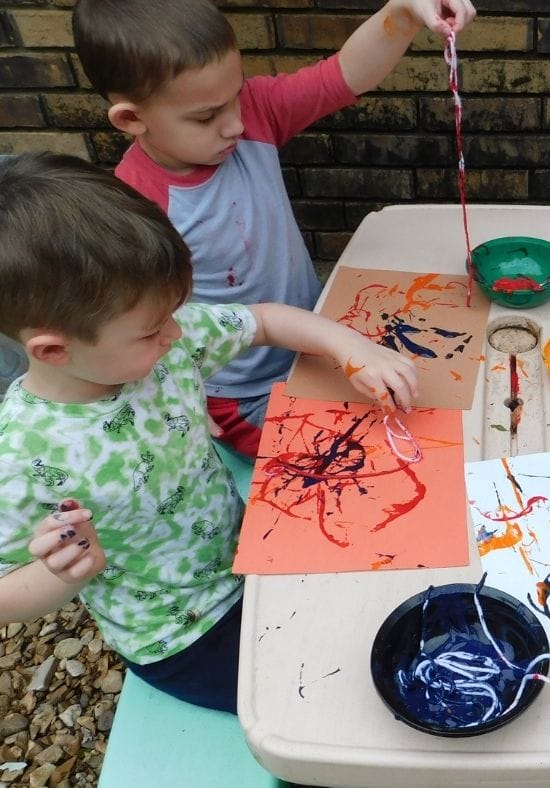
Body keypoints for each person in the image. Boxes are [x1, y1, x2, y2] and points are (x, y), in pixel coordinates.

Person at [0, 152, 418, 713]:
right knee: (337, 695)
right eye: (153, 330)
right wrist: (59, 577)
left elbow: (265, 319)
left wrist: (353, 348)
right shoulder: (23, 453)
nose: (176, 332)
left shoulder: (159, 344)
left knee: (390, 588)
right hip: (184, 636)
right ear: (54, 349)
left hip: (252, 549)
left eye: (173, 313)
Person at [71, 0, 475, 457]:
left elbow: (344, 75)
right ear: (132, 119)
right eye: (206, 117)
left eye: (236, 97)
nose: (236, 124)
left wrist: (401, 13)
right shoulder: (132, 210)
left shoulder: (255, 114)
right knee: (368, 462)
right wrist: (166, 395)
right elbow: (119, 327)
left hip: (321, 341)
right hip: (243, 393)